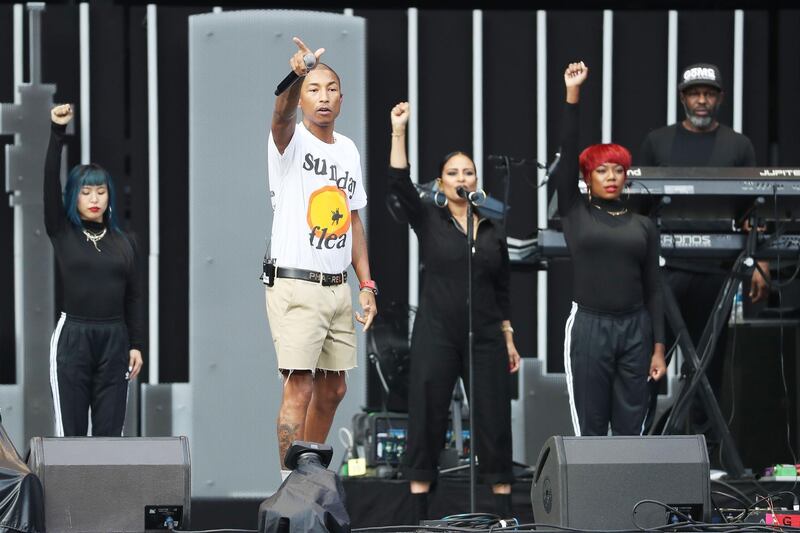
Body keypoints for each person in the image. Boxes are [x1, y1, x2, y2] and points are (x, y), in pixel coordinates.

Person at [388, 101, 521, 522]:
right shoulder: (428, 218)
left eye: (468, 172)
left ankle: (501, 516)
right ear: (441, 182)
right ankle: (420, 518)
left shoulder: (493, 225)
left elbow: (502, 287)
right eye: (453, 173)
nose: (462, 178)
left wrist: (508, 337)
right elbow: (398, 183)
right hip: (436, 332)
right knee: (427, 417)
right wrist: (398, 131)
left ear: (475, 180)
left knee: (494, 422)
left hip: (485, 335)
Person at [266, 37, 377, 481]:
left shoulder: (347, 150)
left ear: (342, 98)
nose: (323, 96)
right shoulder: (289, 142)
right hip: (295, 282)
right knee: (300, 386)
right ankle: (288, 487)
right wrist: (296, 74)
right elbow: (280, 113)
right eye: (314, 88)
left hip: (336, 286)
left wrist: (366, 285)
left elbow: (353, 220)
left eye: (330, 88)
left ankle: (308, 475)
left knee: (333, 388)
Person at [639, 63, 767, 436]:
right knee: (649, 360)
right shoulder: (657, 142)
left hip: (719, 269)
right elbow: (640, 208)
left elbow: (751, 213)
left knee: (707, 366)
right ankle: (639, 447)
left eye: (709, 93)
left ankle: (704, 456)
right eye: (694, 93)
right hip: (665, 267)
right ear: (682, 97)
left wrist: (759, 260)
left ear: (720, 98)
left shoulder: (739, 146)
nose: (701, 100)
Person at [556, 62, 667, 437]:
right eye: (602, 170)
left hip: (636, 327)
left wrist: (658, 347)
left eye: (617, 170)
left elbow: (654, 287)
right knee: (589, 428)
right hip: (590, 325)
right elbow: (567, 148)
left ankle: (627, 498)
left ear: (626, 175)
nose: (611, 177)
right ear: (587, 178)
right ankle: (590, 497)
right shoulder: (574, 210)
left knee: (629, 429)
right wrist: (573, 95)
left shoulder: (643, 225)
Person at [45, 104, 143, 437]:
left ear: (109, 196)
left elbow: (134, 297)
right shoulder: (62, 232)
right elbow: (48, 184)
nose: (94, 198)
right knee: (70, 435)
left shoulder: (124, 241)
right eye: (86, 192)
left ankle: (106, 492)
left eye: (101, 191)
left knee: (109, 436)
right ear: (73, 196)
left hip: (115, 340)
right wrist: (57, 133)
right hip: (73, 336)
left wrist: (136, 345)